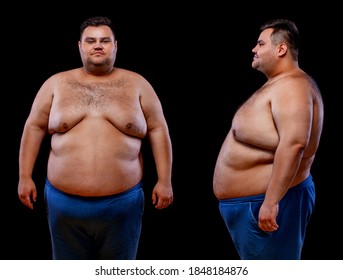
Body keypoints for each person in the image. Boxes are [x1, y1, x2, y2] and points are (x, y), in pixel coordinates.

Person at [18, 16, 173, 260]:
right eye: (90, 41)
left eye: (105, 40)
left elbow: (158, 130)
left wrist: (165, 180)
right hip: (63, 202)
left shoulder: (138, 84)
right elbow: (34, 127)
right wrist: (24, 176)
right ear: (80, 46)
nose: (97, 45)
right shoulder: (56, 83)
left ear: (115, 46)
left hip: (123, 203)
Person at [213, 19, 324, 260]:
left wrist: (271, 202)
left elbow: (294, 144)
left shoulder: (292, 85)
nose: (254, 49)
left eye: (260, 43)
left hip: (267, 205)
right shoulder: (281, 85)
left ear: (281, 48)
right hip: (253, 205)